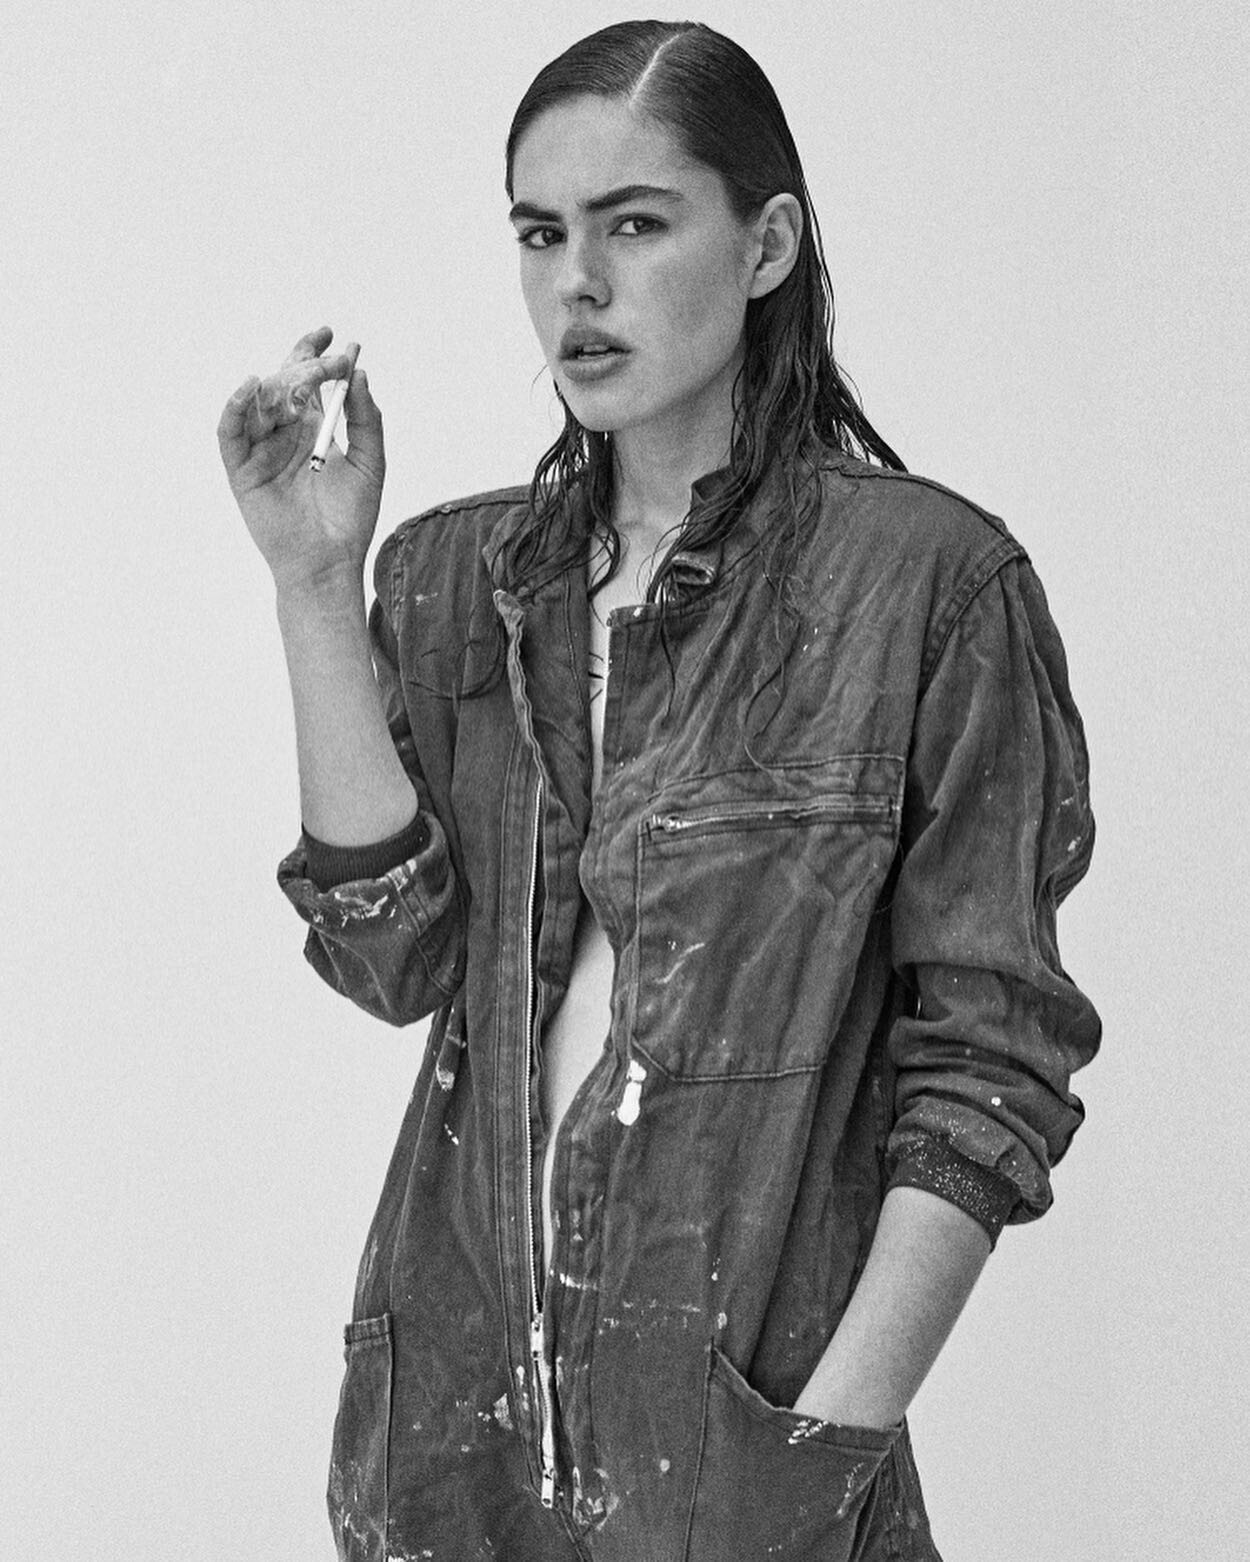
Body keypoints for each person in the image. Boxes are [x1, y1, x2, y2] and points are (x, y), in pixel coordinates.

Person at [217, 19, 1100, 1562]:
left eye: (633, 224)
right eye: (540, 233)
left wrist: (819, 1447)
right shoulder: (449, 578)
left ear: (765, 246)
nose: (577, 281)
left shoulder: (925, 589)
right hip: (454, 1459)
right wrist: (311, 580)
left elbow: (987, 1063)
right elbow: (392, 957)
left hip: (745, 1460)